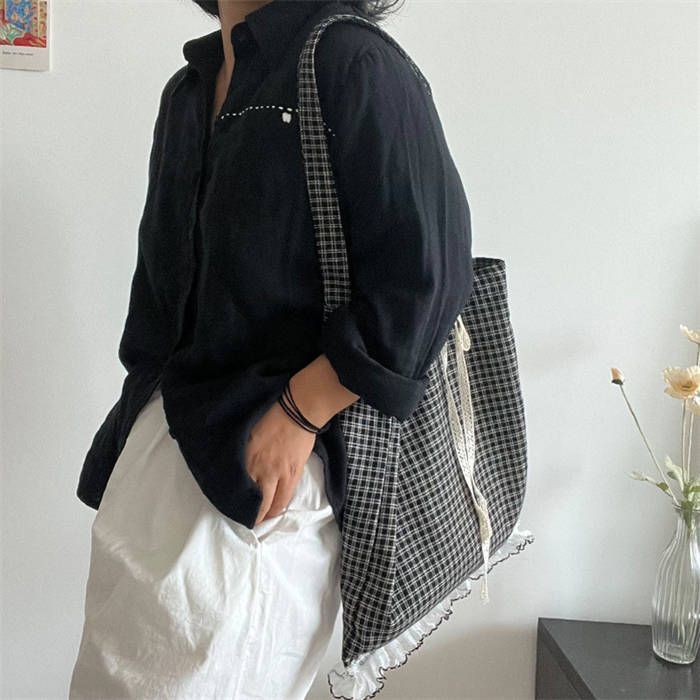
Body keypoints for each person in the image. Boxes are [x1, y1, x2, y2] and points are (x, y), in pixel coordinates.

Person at [69, 0, 473, 697]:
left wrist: (302, 409)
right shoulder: (190, 87)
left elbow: (427, 272)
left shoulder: (353, 62)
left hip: (263, 468)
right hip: (157, 459)